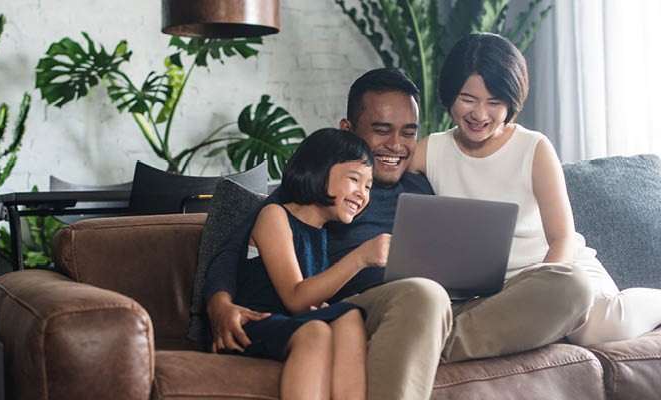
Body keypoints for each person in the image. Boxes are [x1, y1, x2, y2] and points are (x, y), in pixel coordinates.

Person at [205, 69, 453, 400]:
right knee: (409, 300)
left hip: (431, 308)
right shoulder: (295, 206)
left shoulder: (417, 188)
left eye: (408, 133)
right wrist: (219, 304)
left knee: (542, 285)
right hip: (371, 306)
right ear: (347, 132)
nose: (396, 145)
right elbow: (233, 251)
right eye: (382, 131)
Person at [408, 32, 661, 350]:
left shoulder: (533, 147)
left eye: (495, 103)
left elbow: (563, 238)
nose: (480, 114)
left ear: (511, 102)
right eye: (468, 99)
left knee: (593, 331)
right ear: (449, 95)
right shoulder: (431, 150)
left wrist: (539, 294)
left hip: (558, 271)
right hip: (490, 292)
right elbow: (372, 174)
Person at [226, 128, 378, 400]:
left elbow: (305, 300)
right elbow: (296, 297)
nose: (362, 193)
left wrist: (317, 307)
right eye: (354, 179)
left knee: (350, 315)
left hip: (289, 323)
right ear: (319, 170)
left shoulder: (320, 232)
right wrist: (361, 257)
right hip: (252, 325)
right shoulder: (275, 216)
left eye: (368, 186)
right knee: (316, 331)